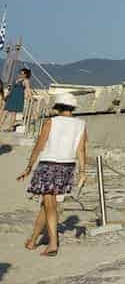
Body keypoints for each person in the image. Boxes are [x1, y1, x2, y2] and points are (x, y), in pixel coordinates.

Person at [17, 90, 87, 257]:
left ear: (57, 106)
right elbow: (81, 149)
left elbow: (40, 145)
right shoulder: (81, 124)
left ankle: (53, 243)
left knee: (50, 205)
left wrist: (29, 166)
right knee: (46, 205)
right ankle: (33, 240)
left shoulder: (51, 122)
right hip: (67, 166)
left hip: (49, 164)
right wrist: (82, 171)